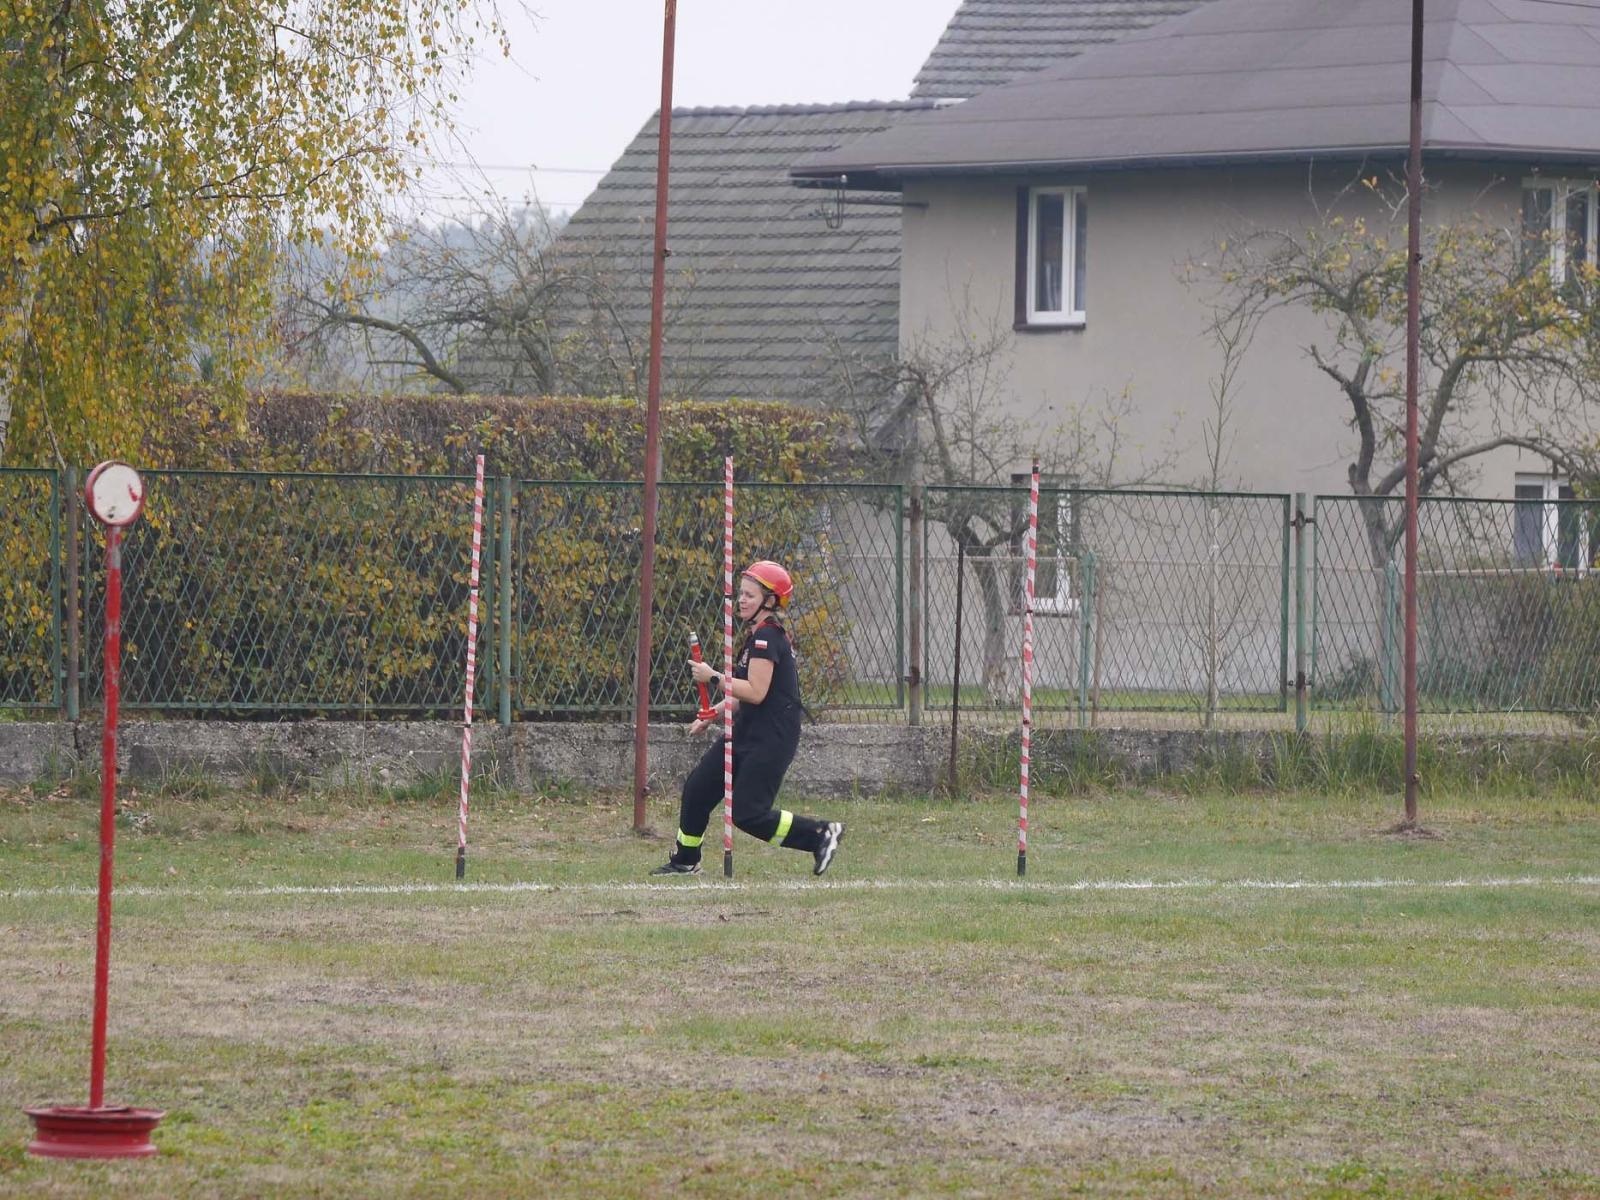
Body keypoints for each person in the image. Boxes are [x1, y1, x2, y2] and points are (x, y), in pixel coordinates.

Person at [650, 559, 844, 877]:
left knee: (748, 813)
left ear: (769, 602)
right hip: (746, 731)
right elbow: (742, 697)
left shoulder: (768, 639)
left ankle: (820, 835)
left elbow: (755, 691)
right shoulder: (754, 638)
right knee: (698, 788)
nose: (741, 600)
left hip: (771, 739)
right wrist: (714, 713)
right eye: (740, 594)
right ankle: (686, 859)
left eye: (749, 595)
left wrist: (712, 676)